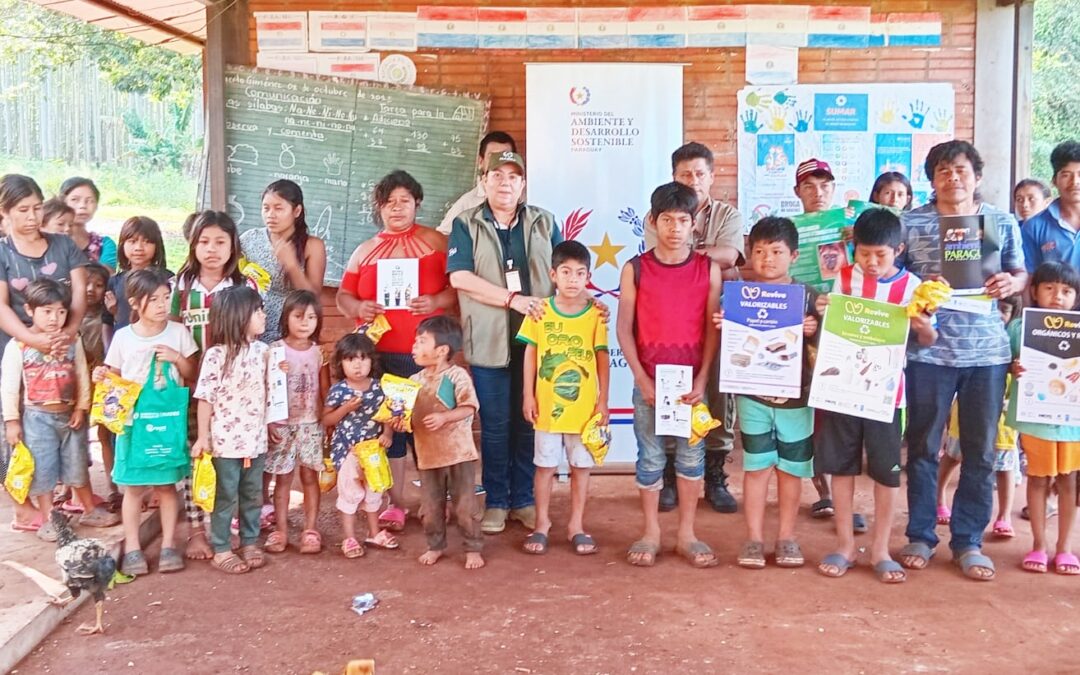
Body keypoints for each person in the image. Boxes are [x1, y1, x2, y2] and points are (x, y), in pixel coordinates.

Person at [899, 140, 1028, 581]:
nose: (952, 178)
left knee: (981, 450)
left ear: (976, 175)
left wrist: (1010, 283)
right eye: (942, 171)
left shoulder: (1000, 221)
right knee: (922, 446)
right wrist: (918, 285)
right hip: (928, 352)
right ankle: (919, 534)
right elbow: (890, 276)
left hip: (987, 354)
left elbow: (1020, 271)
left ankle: (968, 540)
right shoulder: (910, 222)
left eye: (960, 169)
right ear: (931, 179)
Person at [813, 209, 938, 583]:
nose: (870, 263)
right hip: (842, 390)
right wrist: (822, 310)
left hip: (887, 396)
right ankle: (845, 544)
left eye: (880, 255)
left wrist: (923, 326)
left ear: (898, 250)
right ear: (853, 248)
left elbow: (930, 340)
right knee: (841, 466)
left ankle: (881, 548)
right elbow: (833, 329)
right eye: (863, 253)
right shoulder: (844, 278)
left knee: (886, 473)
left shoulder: (914, 287)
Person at [448, 150, 564, 535]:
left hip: (538, 342)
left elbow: (565, 275)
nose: (505, 183)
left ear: (523, 184)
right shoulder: (466, 224)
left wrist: (584, 308)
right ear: (484, 181)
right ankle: (497, 500)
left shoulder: (545, 222)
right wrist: (512, 299)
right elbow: (460, 277)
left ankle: (525, 500)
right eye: (497, 175)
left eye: (513, 177)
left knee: (529, 422)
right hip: (489, 338)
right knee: (495, 425)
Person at [337, 170, 456, 529]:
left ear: (417, 203)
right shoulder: (365, 250)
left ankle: (436, 501)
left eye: (404, 200)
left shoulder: (437, 243)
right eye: (389, 202)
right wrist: (359, 308)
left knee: (431, 428)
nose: (397, 208)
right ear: (379, 207)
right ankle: (396, 501)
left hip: (430, 357)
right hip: (382, 353)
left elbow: (459, 289)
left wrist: (435, 299)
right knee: (392, 429)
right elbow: (344, 296)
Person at [618, 182, 722, 568]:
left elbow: (711, 330)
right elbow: (623, 329)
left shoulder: (708, 270)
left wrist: (702, 381)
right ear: (652, 221)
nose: (675, 228)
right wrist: (642, 379)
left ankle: (687, 534)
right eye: (666, 220)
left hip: (692, 385)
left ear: (694, 224)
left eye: (683, 220)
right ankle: (650, 532)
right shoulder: (635, 269)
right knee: (649, 458)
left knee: (692, 458)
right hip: (649, 382)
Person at [644, 142, 744, 514]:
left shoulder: (727, 214)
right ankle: (669, 476)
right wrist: (704, 255)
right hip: (672, 320)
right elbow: (664, 257)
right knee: (673, 393)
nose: (694, 180)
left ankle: (714, 476)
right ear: (674, 177)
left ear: (712, 176)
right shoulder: (655, 215)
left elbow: (731, 256)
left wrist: (687, 255)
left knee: (716, 393)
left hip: (719, 316)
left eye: (701, 173)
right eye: (686, 174)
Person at [714, 217, 819, 570]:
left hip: (797, 401)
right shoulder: (739, 298)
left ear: (794, 256)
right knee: (757, 467)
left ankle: (787, 537)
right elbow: (735, 345)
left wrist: (814, 330)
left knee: (791, 471)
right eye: (759, 251)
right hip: (753, 398)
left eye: (776, 252)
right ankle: (754, 539)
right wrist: (725, 325)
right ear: (748, 255)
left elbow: (827, 350)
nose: (767, 259)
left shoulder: (809, 298)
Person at [0, 174, 89, 534]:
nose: (33, 216)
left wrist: (67, 333)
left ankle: (73, 500)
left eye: (37, 208)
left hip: (66, 340)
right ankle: (26, 507)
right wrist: (31, 340)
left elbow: (80, 295)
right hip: (17, 342)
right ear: (4, 213)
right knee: (17, 425)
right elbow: (2, 307)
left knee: (68, 425)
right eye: (23, 210)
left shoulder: (64, 245)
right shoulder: (2, 252)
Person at [97, 269, 198, 575]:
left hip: (167, 423)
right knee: (133, 489)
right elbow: (113, 376)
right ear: (135, 303)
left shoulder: (178, 333)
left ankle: (168, 545)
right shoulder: (123, 337)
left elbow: (192, 372)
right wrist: (102, 375)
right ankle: (132, 549)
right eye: (153, 299)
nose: (162, 304)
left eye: (166, 298)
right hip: (132, 424)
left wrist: (175, 358)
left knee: (167, 487)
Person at [1, 279, 113, 538]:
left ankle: (88, 509)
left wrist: (81, 408)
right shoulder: (19, 346)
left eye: (61, 312)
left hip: (70, 415)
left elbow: (83, 376)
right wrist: (12, 421)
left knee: (77, 464)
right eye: (47, 311)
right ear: (30, 311)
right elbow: (8, 386)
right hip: (37, 418)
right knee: (43, 469)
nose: (55, 318)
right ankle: (50, 518)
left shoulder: (73, 341)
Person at [518, 241, 609, 555]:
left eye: (580, 273)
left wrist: (603, 402)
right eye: (566, 272)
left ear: (589, 276)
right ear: (552, 274)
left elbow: (602, 359)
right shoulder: (540, 311)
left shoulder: (595, 315)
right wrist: (528, 394)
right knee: (544, 466)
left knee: (580, 467)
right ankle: (541, 523)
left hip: (584, 411)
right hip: (547, 408)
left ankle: (576, 525)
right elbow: (531, 354)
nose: (573, 279)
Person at [171, 210, 252, 561]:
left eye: (220, 242)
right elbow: (171, 329)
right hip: (189, 390)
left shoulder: (243, 286)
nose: (212, 249)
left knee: (230, 459)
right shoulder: (181, 286)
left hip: (232, 393)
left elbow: (252, 333)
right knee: (196, 457)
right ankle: (196, 531)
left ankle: (226, 527)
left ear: (233, 246)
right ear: (192, 245)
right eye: (204, 242)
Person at [192, 286, 271, 575]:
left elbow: (271, 392)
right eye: (257, 311)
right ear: (238, 317)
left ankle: (250, 541)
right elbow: (205, 398)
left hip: (256, 441)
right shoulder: (216, 355)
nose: (263, 316)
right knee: (224, 497)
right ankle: (222, 547)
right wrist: (203, 437)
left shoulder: (264, 352)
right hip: (224, 444)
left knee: (253, 494)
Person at [1008, 261, 1080, 574]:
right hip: (1035, 417)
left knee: (1068, 480)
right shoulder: (1020, 328)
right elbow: (1006, 364)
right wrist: (1014, 368)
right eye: (1049, 288)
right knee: (1037, 478)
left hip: (1072, 421)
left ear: (1075, 297)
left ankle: (1064, 548)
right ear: (1034, 291)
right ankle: (1038, 544)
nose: (1057, 296)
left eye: (1066, 291)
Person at [937, 296, 1022, 539]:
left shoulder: (1015, 338)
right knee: (953, 455)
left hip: (1005, 415)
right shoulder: (972, 335)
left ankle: (1004, 516)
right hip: (965, 409)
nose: (998, 314)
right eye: (994, 308)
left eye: (1004, 310)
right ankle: (939, 498)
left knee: (1005, 464)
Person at [408, 316, 485, 569]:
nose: (414, 347)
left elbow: (469, 408)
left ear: (441, 351)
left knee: (465, 506)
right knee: (430, 508)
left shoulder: (457, 376)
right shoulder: (414, 382)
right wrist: (397, 423)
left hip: (459, 454)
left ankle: (472, 547)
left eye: (421, 342)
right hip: (428, 456)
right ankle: (435, 545)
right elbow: (403, 415)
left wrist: (444, 417)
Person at [322, 333, 399, 558]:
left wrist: (387, 434)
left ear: (372, 361)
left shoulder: (379, 387)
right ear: (340, 364)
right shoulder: (339, 391)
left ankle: (374, 533)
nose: (358, 364)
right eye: (350, 359)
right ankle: (349, 537)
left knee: (374, 490)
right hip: (348, 452)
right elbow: (326, 420)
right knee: (350, 493)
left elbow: (388, 415)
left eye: (363, 358)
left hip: (374, 451)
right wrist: (345, 409)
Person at [264, 290, 329, 555]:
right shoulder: (274, 350)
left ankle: (310, 530)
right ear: (286, 318)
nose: (305, 322)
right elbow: (266, 389)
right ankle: (280, 530)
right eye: (299, 316)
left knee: (310, 477)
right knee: (282, 479)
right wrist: (269, 422)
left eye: (312, 317)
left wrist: (328, 421)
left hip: (311, 424)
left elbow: (325, 389)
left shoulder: (319, 352)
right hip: (282, 425)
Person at [240, 179, 327, 343]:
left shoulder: (312, 246)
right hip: (250, 327)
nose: (270, 215)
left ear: (297, 211)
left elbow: (312, 297)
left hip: (289, 331)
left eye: (278, 208)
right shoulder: (249, 239)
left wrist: (292, 265)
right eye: (266, 208)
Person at [80, 262, 118, 510]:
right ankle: (74, 488)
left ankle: (112, 486)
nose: (91, 289)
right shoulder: (70, 315)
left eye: (98, 284)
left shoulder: (107, 316)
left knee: (105, 433)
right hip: (79, 380)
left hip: (103, 378)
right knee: (77, 433)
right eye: (86, 283)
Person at [437, 131, 518, 234]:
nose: (499, 161)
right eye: (493, 156)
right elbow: (443, 236)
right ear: (481, 162)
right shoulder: (467, 204)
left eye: (504, 156)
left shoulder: (526, 200)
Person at [1021, 142, 1080, 272]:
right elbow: (1031, 279)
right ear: (1054, 181)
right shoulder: (1034, 227)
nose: (1075, 181)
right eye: (1066, 175)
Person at [105, 216, 168, 330]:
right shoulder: (114, 282)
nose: (139, 248)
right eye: (132, 241)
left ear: (157, 246)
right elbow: (106, 323)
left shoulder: (167, 280)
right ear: (122, 245)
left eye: (147, 242)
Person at [59, 177, 116, 270]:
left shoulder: (105, 245)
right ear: (62, 203)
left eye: (90, 201)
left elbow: (104, 278)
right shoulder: (48, 242)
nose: (83, 206)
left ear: (96, 206)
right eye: (75, 200)